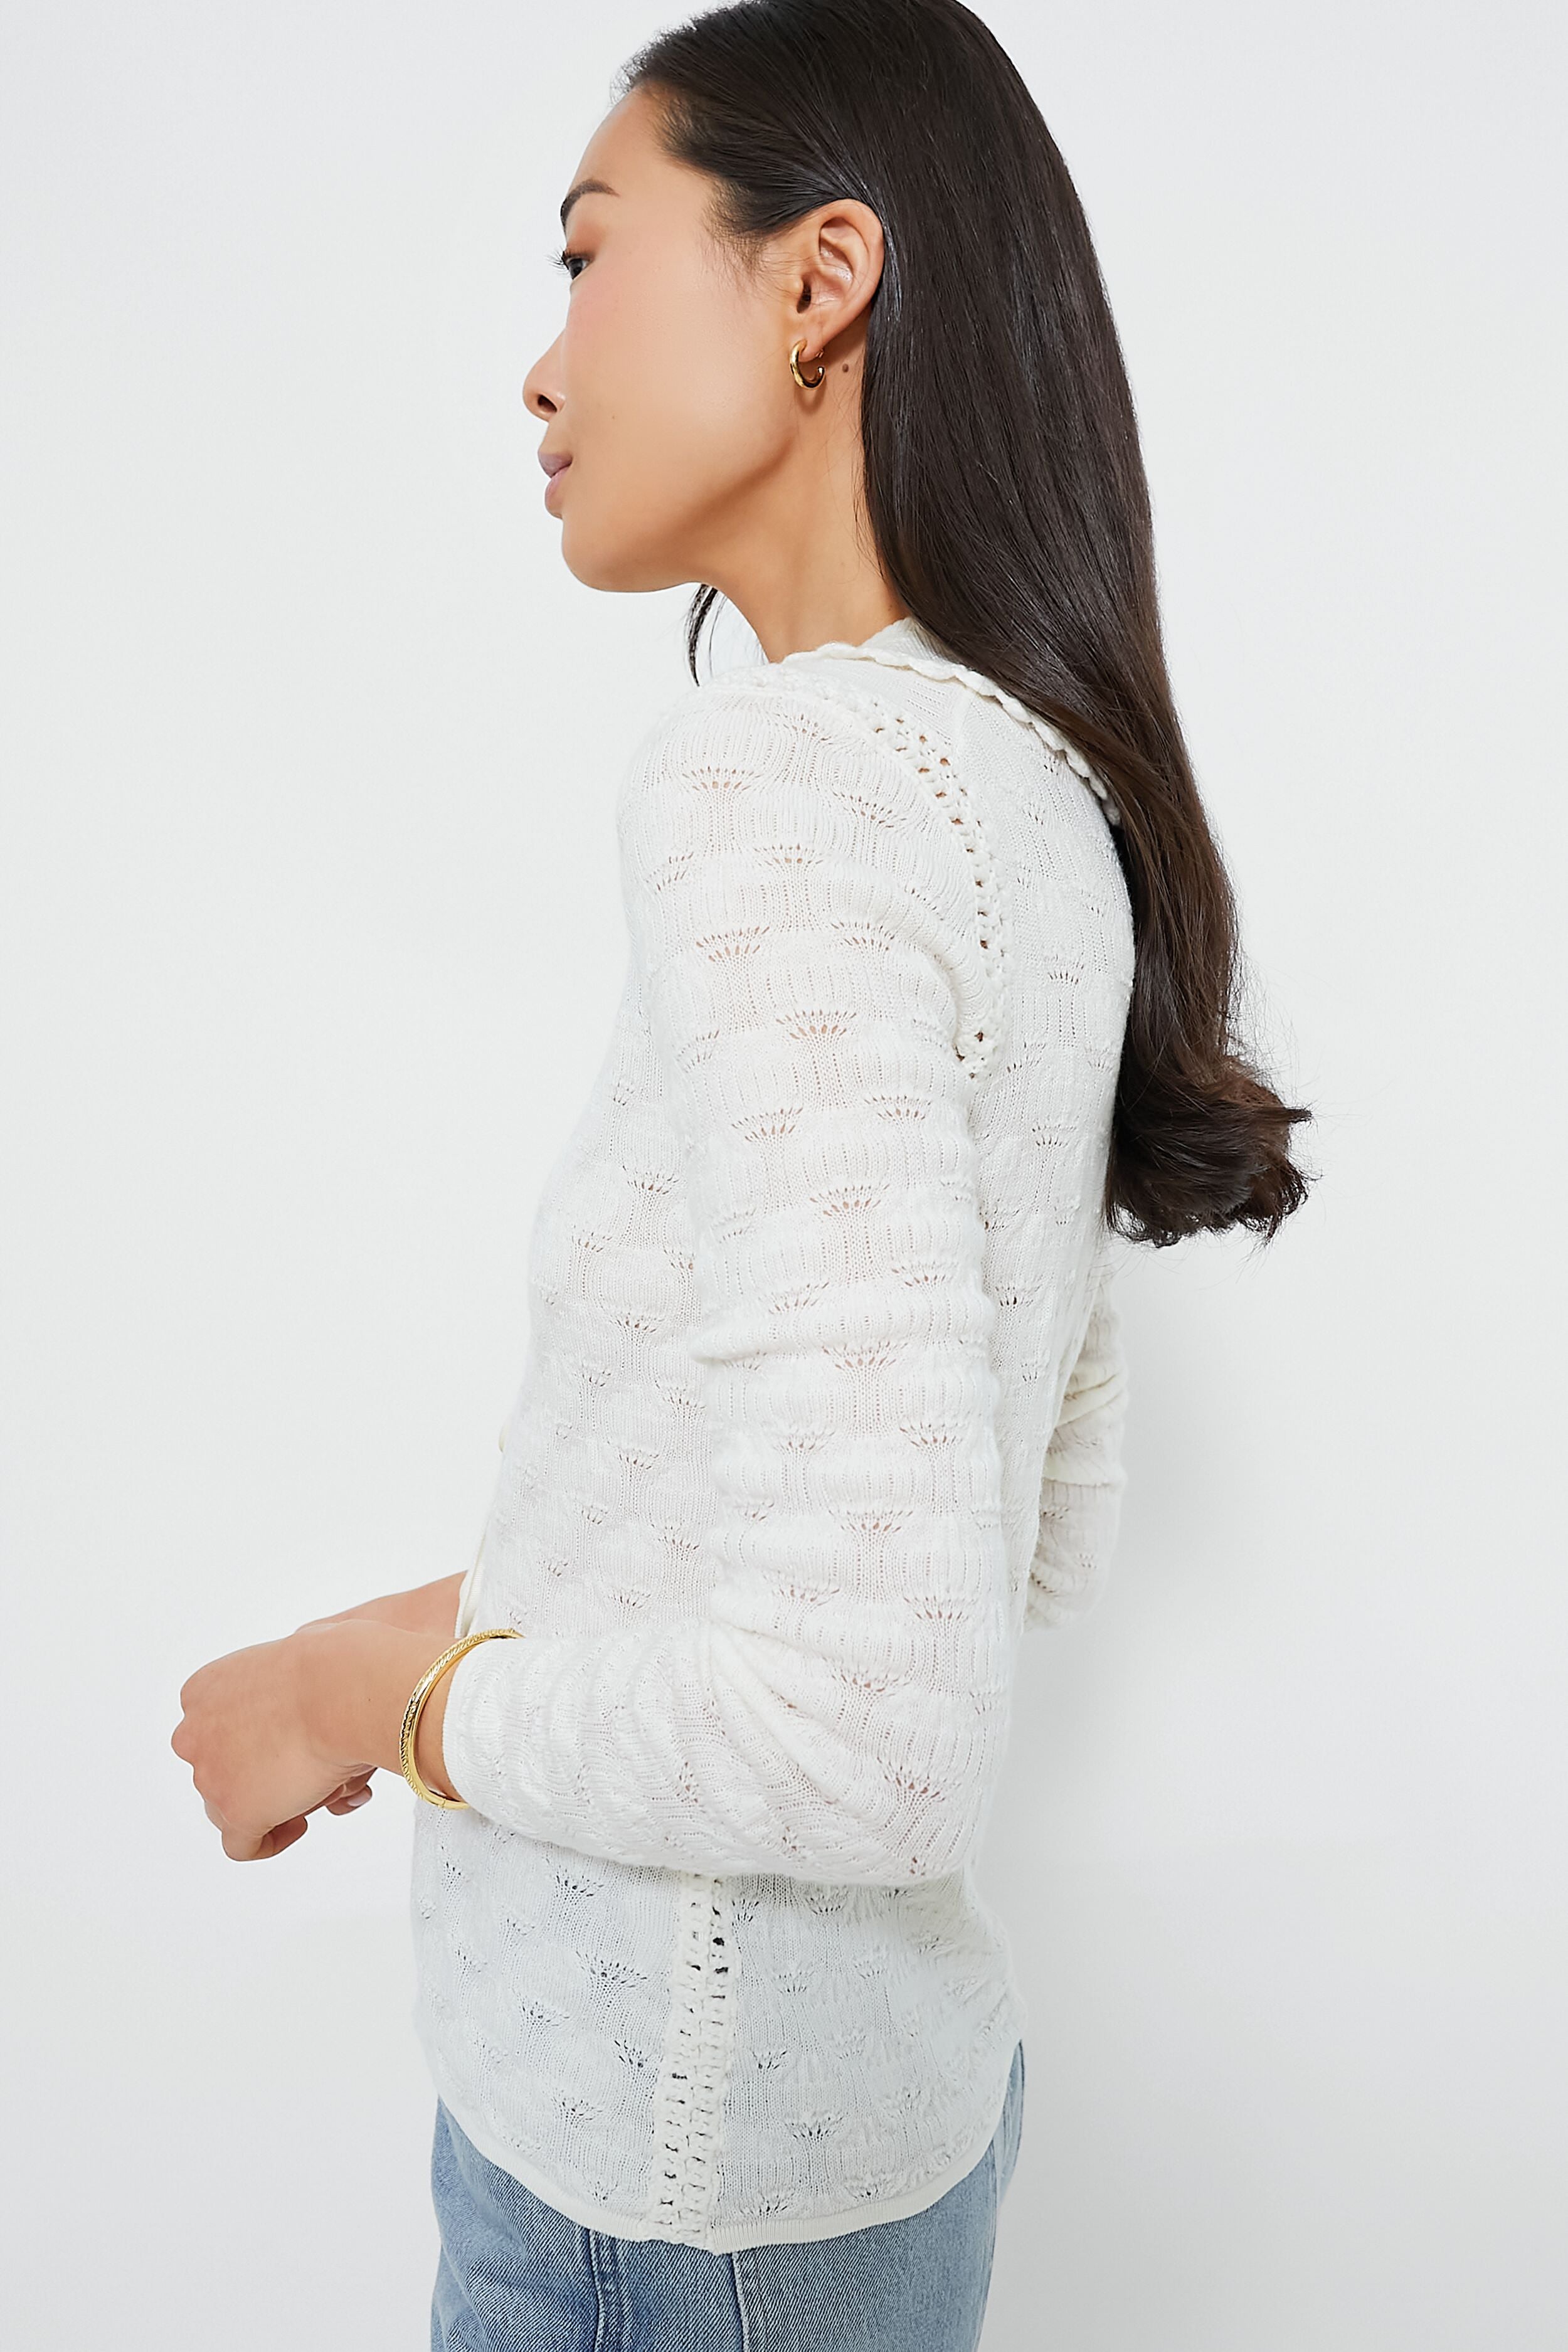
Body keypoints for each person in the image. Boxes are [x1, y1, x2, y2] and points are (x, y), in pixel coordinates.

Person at [169, 3, 1310, 2343]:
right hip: (855, 2141)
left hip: (654, 2203)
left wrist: (365, 1695)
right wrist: (404, 1641)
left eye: (588, 253)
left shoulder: (779, 786)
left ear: (819, 279)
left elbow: (862, 1730)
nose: (539, 366)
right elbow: (999, 1544)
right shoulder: (1037, 803)